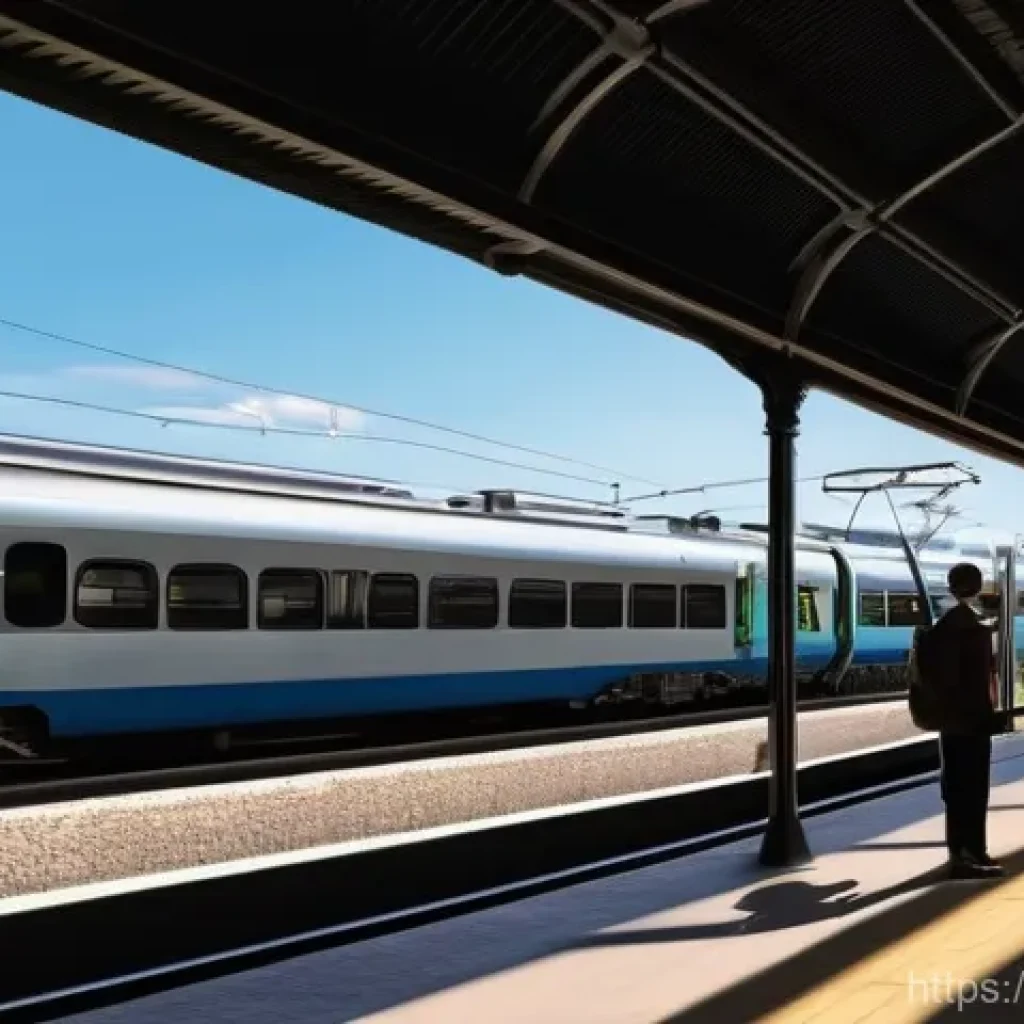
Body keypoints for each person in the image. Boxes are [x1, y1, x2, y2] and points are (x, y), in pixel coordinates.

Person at [935, 562, 1003, 879]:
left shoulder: (941, 626)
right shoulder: (976, 629)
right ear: (977, 588)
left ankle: (957, 851)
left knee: (954, 787)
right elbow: (983, 682)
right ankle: (973, 854)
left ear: (951, 587)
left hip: (949, 723)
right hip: (973, 723)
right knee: (975, 789)